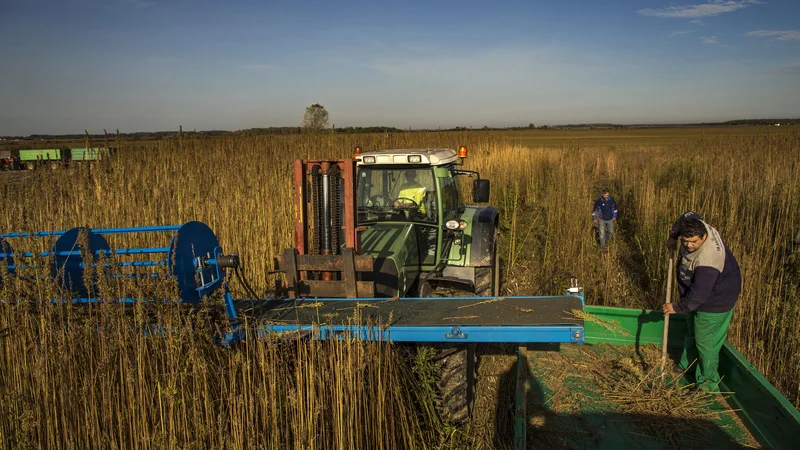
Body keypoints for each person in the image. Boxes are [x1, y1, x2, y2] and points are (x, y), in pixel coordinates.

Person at [663, 211, 742, 393]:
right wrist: (673, 236)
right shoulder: (694, 222)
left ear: (704, 236)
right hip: (696, 295)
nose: (689, 246)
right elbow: (685, 215)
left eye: (694, 242)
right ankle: (688, 365)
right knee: (692, 330)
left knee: (706, 343)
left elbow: (698, 296)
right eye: (686, 241)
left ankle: (707, 385)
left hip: (716, 299)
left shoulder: (708, 261)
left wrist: (677, 307)